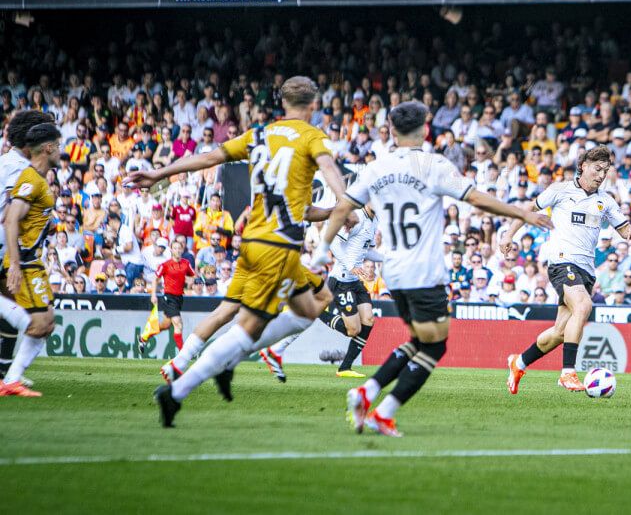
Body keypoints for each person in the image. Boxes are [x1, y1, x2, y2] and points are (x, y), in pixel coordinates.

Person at [315, 102, 551, 437]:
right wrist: (523, 214)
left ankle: (368, 392)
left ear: (392, 131)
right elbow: (477, 199)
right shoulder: (434, 165)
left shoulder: (375, 168)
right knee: (435, 346)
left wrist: (322, 250)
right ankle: (384, 410)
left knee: (419, 339)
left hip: (394, 273)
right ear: (426, 129)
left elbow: (341, 208)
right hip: (423, 272)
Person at [128, 76, 348, 427]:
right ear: (313, 106)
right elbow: (331, 171)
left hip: (254, 243)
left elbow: (208, 157)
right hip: (277, 248)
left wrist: (158, 173)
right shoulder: (312, 137)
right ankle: (178, 390)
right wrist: (344, 200)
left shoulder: (259, 135)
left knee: (311, 308)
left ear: (282, 102)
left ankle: (231, 358)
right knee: (245, 329)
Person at [500, 146, 631, 393]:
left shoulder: (605, 201)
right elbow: (527, 211)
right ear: (583, 165)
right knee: (584, 306)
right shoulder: (560, 190)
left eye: (605, 171)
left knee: (560, 332)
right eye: (598, 168)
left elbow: (623, 226)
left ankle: (518, 362)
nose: (601, 175)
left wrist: (630, 232)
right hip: (562, 262)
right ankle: (567, 373)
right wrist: (508, 234)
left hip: (586, 270)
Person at [265, 205, 381, 379]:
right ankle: (319, 313)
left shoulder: (374, 220)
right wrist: (350, 266)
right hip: (341, 280)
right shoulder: (356, 217)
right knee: (353, 330)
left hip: (354, 280)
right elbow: (333, 243)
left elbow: (368, 249)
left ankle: (345, 367)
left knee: (369, 320)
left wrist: (390, 259)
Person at [0, 122, 62, 396]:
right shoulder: (30, 179)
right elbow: (11, 219)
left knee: (46, 323)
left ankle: (11, 380)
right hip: (23, 261)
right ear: (48, 148)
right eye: (58, 146)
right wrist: (13, 263)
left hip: (32, 260)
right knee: (40, 324)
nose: (61, 151)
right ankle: (11, 379)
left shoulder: (39, 179)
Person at [138, 238, 195, 353]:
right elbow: (155, 279)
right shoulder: (165, 265)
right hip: (169, 297)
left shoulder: (186, 264)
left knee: (166, 325)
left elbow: (192, 276)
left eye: (179, 248)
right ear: (171, 250)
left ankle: (144, 337)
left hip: (179, 298)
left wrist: (191, 283)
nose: (178, 250)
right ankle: (182, 353)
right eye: (175, 248)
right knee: (178, 324)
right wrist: (153, 295)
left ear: (182, 250)